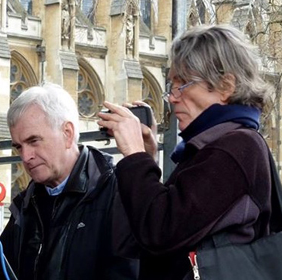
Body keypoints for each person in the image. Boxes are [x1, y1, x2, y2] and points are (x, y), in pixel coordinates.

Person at [97, 24, 274, 279]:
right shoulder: (207, 148)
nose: (172, 97)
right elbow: (133, 241)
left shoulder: (236, 148)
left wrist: (135, 156)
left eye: (182, 84)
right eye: (171, 86)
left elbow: (159, 231)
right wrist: (145, 158)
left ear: (225, 86)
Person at [0, 83, 138, 280]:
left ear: (67, 133)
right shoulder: (24, 207)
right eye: (19, 147)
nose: (26, 157)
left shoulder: (116, 191)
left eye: (34, 141)